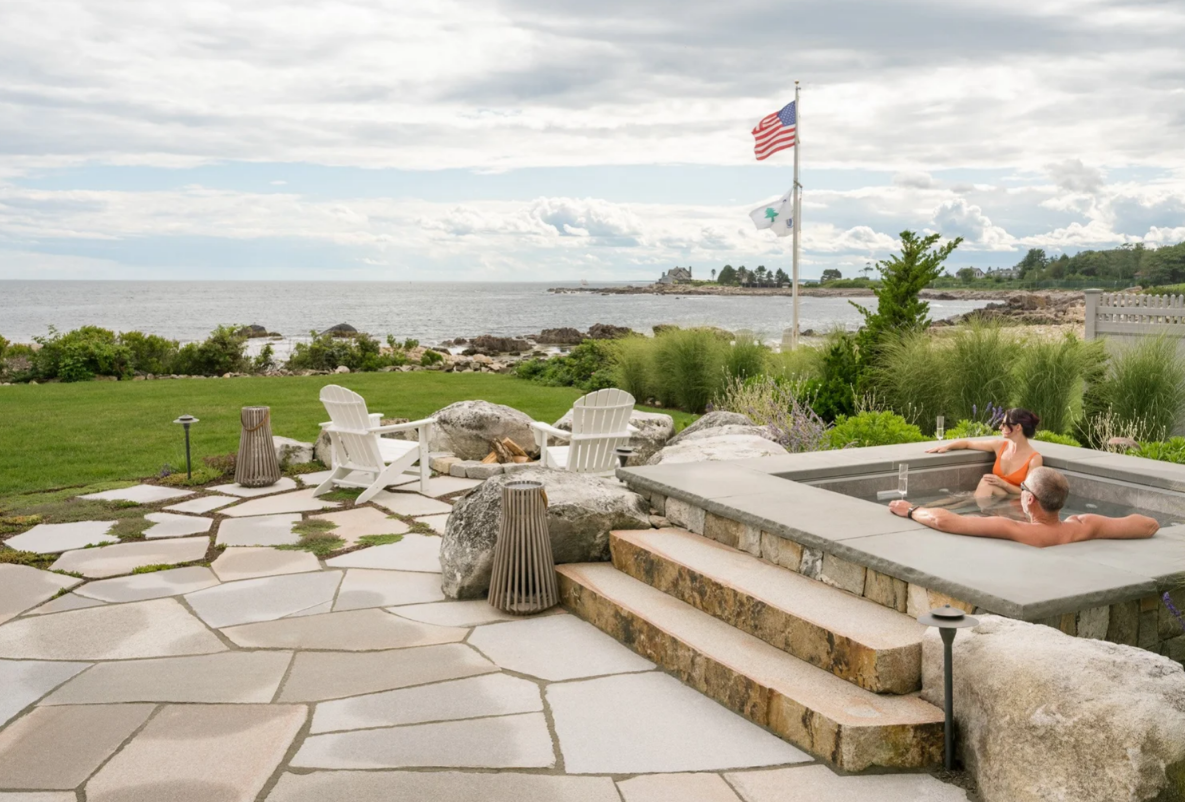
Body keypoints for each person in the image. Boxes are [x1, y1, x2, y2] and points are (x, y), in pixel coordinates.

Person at [889, 466, 1159, 547]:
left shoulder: (1015, 529)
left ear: (1029, 499)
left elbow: (943, 521)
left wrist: (912, 510)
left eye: (1023, 487)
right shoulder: (1085, 527)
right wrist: (1084, 520)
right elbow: (1149, 524)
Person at [927, 408, 1043, 498]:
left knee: (986, 484)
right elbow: (967, 444)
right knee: (955, 500)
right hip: (995, 497)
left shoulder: (1034, 459)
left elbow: (1027, 493)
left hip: (1014, 503)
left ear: (1018, 427)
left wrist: (1003, 484)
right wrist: (946, 447)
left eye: (1004, 424)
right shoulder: (1000, 446)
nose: (1000, 427)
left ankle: (975, 516)